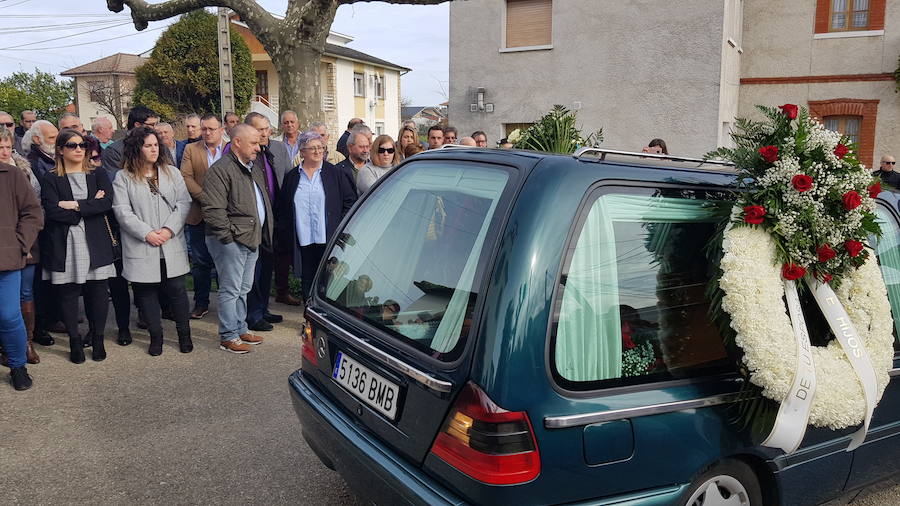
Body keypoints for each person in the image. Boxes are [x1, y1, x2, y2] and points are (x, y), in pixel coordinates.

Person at [112, 127, 193, 356]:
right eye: (148, 145)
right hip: (141, 244)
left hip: (170, 242)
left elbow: (183, 203)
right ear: (137, 149)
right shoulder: (123, 177)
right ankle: (155, 336)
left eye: (156, 145)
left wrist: (168, 229)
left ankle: (183, 334)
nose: (154, 149)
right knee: (146, 292)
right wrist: (147, 233)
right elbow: (122, 211)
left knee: (177, 290)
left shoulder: (171, 173)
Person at [41, 129, 116, 363]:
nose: (78, 149)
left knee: (98, 292)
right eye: (72, 145)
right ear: (61, 150)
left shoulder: (98, 173)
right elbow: (52, 211)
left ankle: (98, 339)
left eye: (82, 145)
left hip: (95, 240)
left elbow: (106, 203)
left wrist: (74, 205)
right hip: (65, 242)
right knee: (68, 293)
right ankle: (75, 341)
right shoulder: (51, 177)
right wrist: (87, 206)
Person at [202, 124, 272, 354]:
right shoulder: (220, 170)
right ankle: (228, 335)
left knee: (244, 288)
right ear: (237, 143)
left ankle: (240, 328)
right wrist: (228, 239)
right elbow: (213, 209)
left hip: (251, 238)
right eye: (253, 143)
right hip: (230, 241)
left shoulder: (253, 167)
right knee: (230, 289)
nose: (259, 148)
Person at [100, 106, 159, 345]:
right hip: (120, 225)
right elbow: (119, 186)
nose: (154, 131)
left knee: (147, 276)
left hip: (150, 222)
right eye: (151, 125)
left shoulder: (156, 150)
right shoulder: (114, 152)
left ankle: (147, 315)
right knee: (120, 280)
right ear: (137, 126)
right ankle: (123, 327)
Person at [276, 132, 356, 302]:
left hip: (327, 236)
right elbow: (282, 208)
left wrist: (339, 226)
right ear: (302, 152)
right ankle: (309, 310)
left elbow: (349, 201)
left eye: (320, 147)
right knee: (307, 276)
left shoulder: (335, 173)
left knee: (328, 276)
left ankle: (326, 310)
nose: (317, 151)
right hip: (302, 237)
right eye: (312, 148)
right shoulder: (292, 177)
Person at [0, 141, 42, 389]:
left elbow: (32, 213)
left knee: (8, 315)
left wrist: (20, 244)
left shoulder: (12, 174)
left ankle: (17, 366)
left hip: (7, 258)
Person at [180, 113, 227, 320]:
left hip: (226, 215)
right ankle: (201, 303)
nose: (207, 133)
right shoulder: (191, 149)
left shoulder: (230, 149)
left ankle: (227, 304)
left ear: (221, 129)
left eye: (211, 129)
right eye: (204, 129)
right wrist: (205, 198)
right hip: (199, 214)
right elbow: (186, 177)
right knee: (200, 263)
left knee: (226, 262)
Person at [244, 113, 284, 331]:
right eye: (260, 129)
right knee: (255, 270)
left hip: (269, 219)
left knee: (267, 267)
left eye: (267, 128)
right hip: (253, 223)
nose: (265, 133)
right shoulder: (244, 154)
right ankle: (253, 314)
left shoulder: (266, 153)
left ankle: (263, 309)